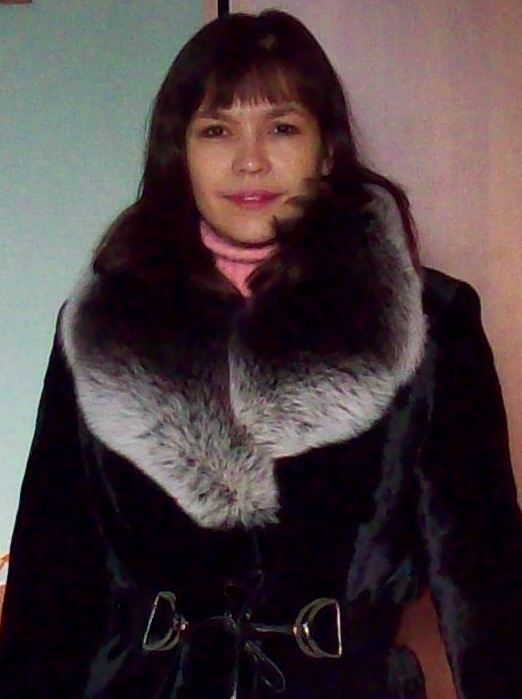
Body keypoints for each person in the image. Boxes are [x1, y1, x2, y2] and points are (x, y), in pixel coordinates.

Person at [0, 10, 521, 699]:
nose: (250, 160)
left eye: (282, 127)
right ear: (179, 153)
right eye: (217, 130)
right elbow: (51, 577)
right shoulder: (102, 327)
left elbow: (484, 579)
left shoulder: (431, 322)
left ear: (326, 149)